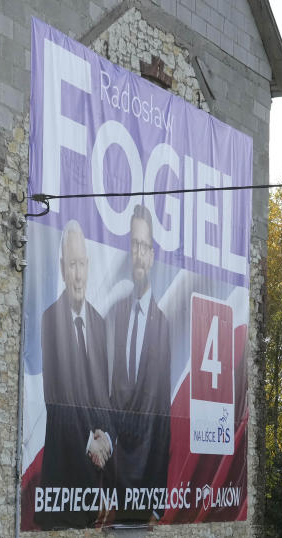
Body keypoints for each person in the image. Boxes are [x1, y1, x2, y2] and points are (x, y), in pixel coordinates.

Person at [37, 220, 111, 528]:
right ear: (61, 268)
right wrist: (87, 443)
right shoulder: (50, 320)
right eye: (71, 266)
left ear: (89, 265)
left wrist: (104, 436)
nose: (77, 275)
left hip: (96, 476)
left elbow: (103, 397)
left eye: (81, 264)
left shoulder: (99, 323)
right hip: (63, 482)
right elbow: (56, 401)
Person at [106, 204, 171, 521]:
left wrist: (157, 501)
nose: (140, 253)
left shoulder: (162, 325)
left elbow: (163, 415)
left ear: (153, 255)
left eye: (145, 246)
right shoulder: (116, 315)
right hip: (113, 477)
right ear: (129, 251)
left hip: (145, 479)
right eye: (135, 245)